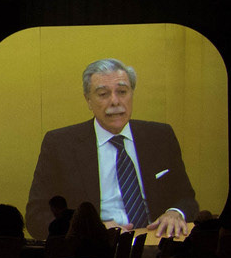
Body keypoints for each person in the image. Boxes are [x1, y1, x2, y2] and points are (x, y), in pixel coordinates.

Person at [24, 58, 197, 239]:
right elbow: (36, 216)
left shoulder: (160, 136)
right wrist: (90, 230)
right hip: (96, 247)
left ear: (132, 94)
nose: (115, 101)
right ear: (88, 100)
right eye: (103, 94)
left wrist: (176, 212)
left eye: (122, 92)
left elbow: (186, 198)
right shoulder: (60, 144)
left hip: (156, 240)